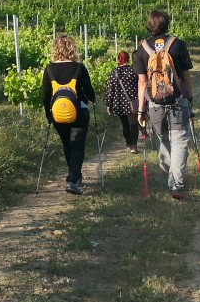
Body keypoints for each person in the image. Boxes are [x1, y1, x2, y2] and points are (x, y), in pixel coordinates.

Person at [133, 9, 194, 199]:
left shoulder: (141, 49)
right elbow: (185, 76)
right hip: (177, 101)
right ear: (167, 24)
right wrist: (189, 97)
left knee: (162, 140)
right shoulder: (178, 45)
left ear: (148, 25)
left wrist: (140, 111)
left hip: (155, 104)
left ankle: (170, 175)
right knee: (180, 141)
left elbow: (142, 82)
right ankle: (176, 183)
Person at [42, 33, 96, 195]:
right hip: (78, 112)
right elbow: (89, 91)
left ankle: (75, 174)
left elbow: (45, 96)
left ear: (55, 49)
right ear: (72, 48)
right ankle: (72, 180)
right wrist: (92, 99)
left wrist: (49, 115)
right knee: (77, 145)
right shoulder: (79, 68)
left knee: (67, 144)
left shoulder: (49, 69)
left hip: (58, 113)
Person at [104, 50, 139, 152]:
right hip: (133, 102)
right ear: (128, 59)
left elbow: (110, 91)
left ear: (118, 59)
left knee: (125, 125)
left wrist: (108, 105)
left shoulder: (113, 73)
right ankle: (134, 146)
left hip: (119, 104)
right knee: (134, 124)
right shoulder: (134, 71)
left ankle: (128, 144)